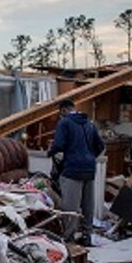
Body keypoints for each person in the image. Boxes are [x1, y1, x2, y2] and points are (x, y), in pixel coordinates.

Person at [47, 98, 105, 246]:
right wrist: (89, 158)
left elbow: (59, 145)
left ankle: (69, 238)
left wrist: (51, 152)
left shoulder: (64, 123)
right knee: (87, 204)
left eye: (61, 113)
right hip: (89, 169)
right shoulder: (89, 124)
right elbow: (100, 146)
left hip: (72, 169)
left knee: (71, 207)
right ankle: (87, 236)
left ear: (63, 110)